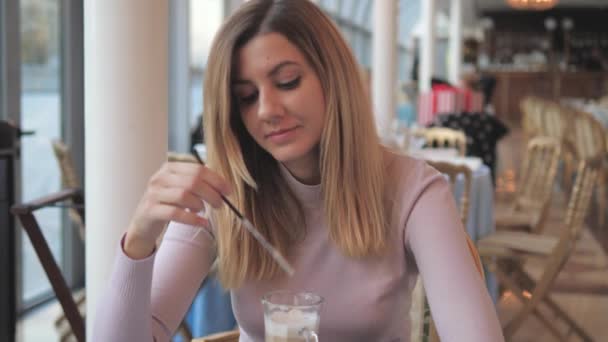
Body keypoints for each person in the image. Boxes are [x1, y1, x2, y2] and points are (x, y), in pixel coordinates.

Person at [93, 1, 504, 341]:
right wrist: (140, 242)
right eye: (246, 97)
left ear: (332, 77)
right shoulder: (224, 193)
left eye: (287, 81)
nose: (268, 110)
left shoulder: (415, 191)